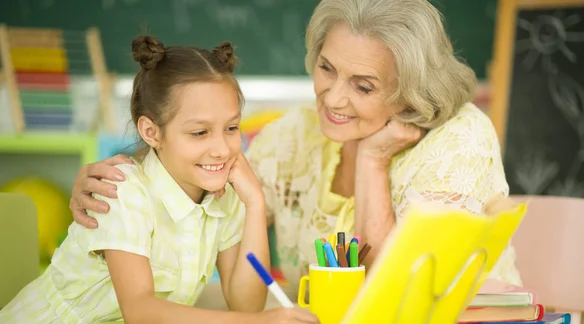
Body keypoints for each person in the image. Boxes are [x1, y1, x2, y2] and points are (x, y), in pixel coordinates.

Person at [69, 0, 521, 301]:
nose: (332, 98)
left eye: (362, 86)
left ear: (411, 94)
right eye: (326, 68)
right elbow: (203, 186)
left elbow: (394, 294)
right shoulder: (297, 134)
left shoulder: (460, 139)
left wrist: (373, 161)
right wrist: (121, 183)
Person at [0, 36, 320, 324]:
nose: (222, 149)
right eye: (200, 132)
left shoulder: (225, 197)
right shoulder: (123, 190)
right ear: (152, 132)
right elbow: (140, 312)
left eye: (231, 127)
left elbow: (245, 303)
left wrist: (254, 205)